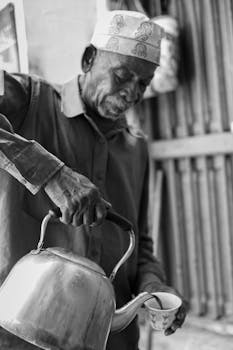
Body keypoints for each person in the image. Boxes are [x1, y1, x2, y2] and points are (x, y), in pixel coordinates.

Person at [0, 10, 187, 350]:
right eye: (122, 76)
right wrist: (51, 173)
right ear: (89, 59)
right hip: (19, 333)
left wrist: (155, 285)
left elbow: (140, 242)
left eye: (142, 84)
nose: (132, 93)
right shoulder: (29, 102)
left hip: (102, 338)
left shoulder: (136, 147)